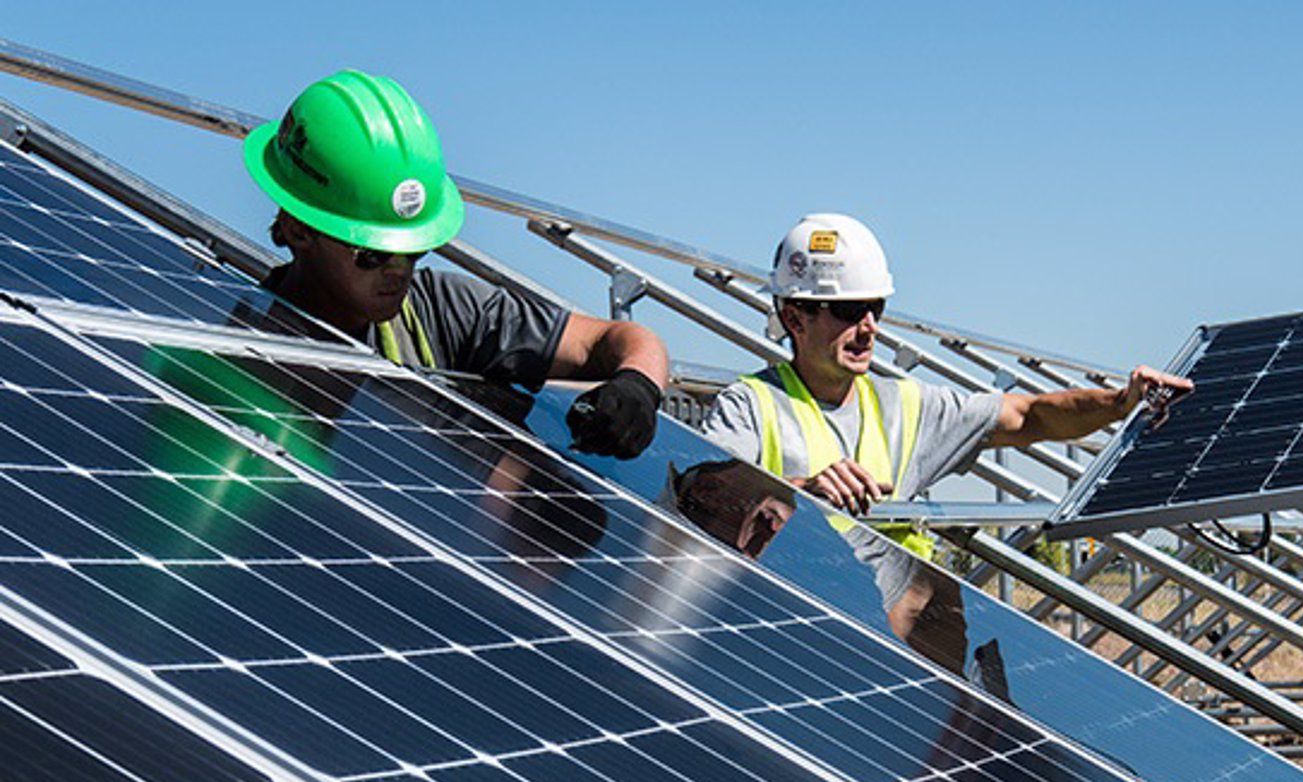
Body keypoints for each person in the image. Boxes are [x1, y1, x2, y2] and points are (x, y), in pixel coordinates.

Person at [242, 70, 667, 458]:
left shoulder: (442, 308)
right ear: (299, 230)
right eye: (373, 254)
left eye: (414, 251)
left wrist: (638, 387)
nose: (398, 271)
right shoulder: (239, 352)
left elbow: (613, 339)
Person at [698, 213, 1192, 544]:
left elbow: (1029, 415)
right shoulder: (750, 406)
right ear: (794, 318)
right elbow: (703, 507)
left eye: (876, 307)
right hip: (784, 633)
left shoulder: (908, 407)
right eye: (849, 310)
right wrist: (801, 491)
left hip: (884, 637)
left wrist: (1121, 400)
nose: (868, 326)